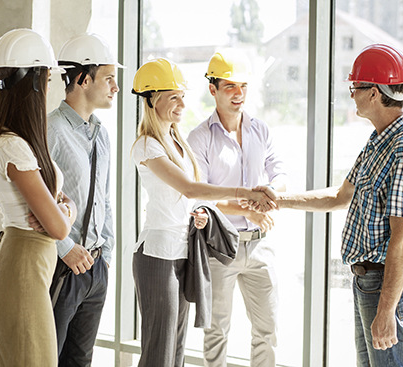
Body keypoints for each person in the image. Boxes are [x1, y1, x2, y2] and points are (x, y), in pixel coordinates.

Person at [250, 44, 403, 367]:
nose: (351, 95)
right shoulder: (379, 140)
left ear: (375, 93)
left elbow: (402, 240)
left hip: (386, 284)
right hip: (369, 281)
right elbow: (340, 195)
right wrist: (277, 200)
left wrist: (387, 310)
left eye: (355, 88)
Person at [130, 58, 275, 367]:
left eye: (182, 95)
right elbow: (191, 188)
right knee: (159, 351)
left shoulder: (177, 142)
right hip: (157, 255)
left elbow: (190, 199)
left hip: (181, 253)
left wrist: (200, 215)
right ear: (152, 100)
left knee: (177, 351)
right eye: (173, 97)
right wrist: (243, 194)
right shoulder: (146, 145)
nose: (182, 103)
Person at [0, 28, 76, 366]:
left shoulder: (12, 142)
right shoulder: (13, 147)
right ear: (35, 82)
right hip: (22, 271)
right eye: (48, 79)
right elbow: (59, 229)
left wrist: (65, 208)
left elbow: (57, 214)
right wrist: (64, 214)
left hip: (25, 266)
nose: (50, 88)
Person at [187, 51, 287, 367]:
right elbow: (200, 195)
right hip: (220, 246)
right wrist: (251, 209)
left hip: (260, 245)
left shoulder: (262, 130)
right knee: (216, 331)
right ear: (212, 89)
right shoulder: (200, 138)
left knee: (267, 330)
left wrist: (270, 195)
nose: (238, 94)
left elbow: (280, 172)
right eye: (229, 86)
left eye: (242, 86)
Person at [42, 33, 122, 367]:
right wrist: (65, 249)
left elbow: (103, 198)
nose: (115, 88)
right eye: (109, 79)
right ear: (83, 80)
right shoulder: (51, 131)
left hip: (95, 267)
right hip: (64, 265)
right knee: (48, 356)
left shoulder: (100, 133)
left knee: (80, 360)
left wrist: (106, 252)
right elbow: (36, 200)